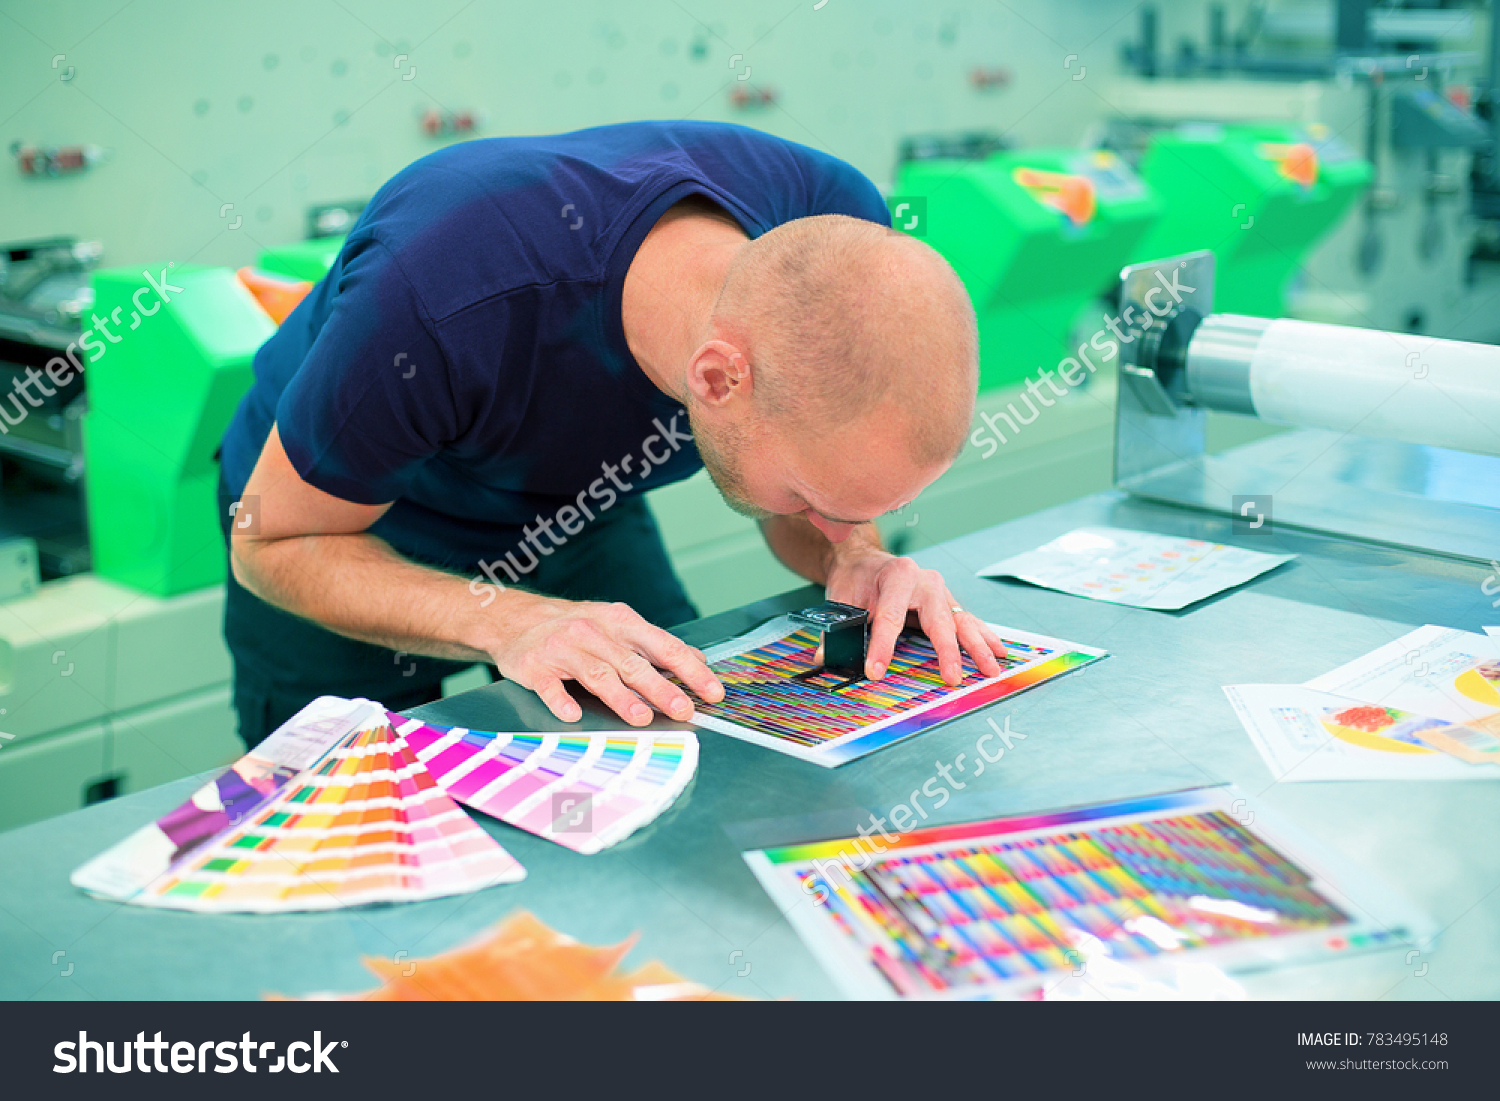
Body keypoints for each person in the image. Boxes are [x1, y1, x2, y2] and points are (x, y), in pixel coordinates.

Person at [218, 120, 1006, 748]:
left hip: (575, 491)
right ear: (717, 379)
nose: (827, 516)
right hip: (336, 517)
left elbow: (830, 488)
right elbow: (270, 542)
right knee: (344, 814)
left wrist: (855, 553)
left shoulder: (835, 235)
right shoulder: (437, 293)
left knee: (682, 722)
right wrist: (507, 619)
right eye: (810, 497)